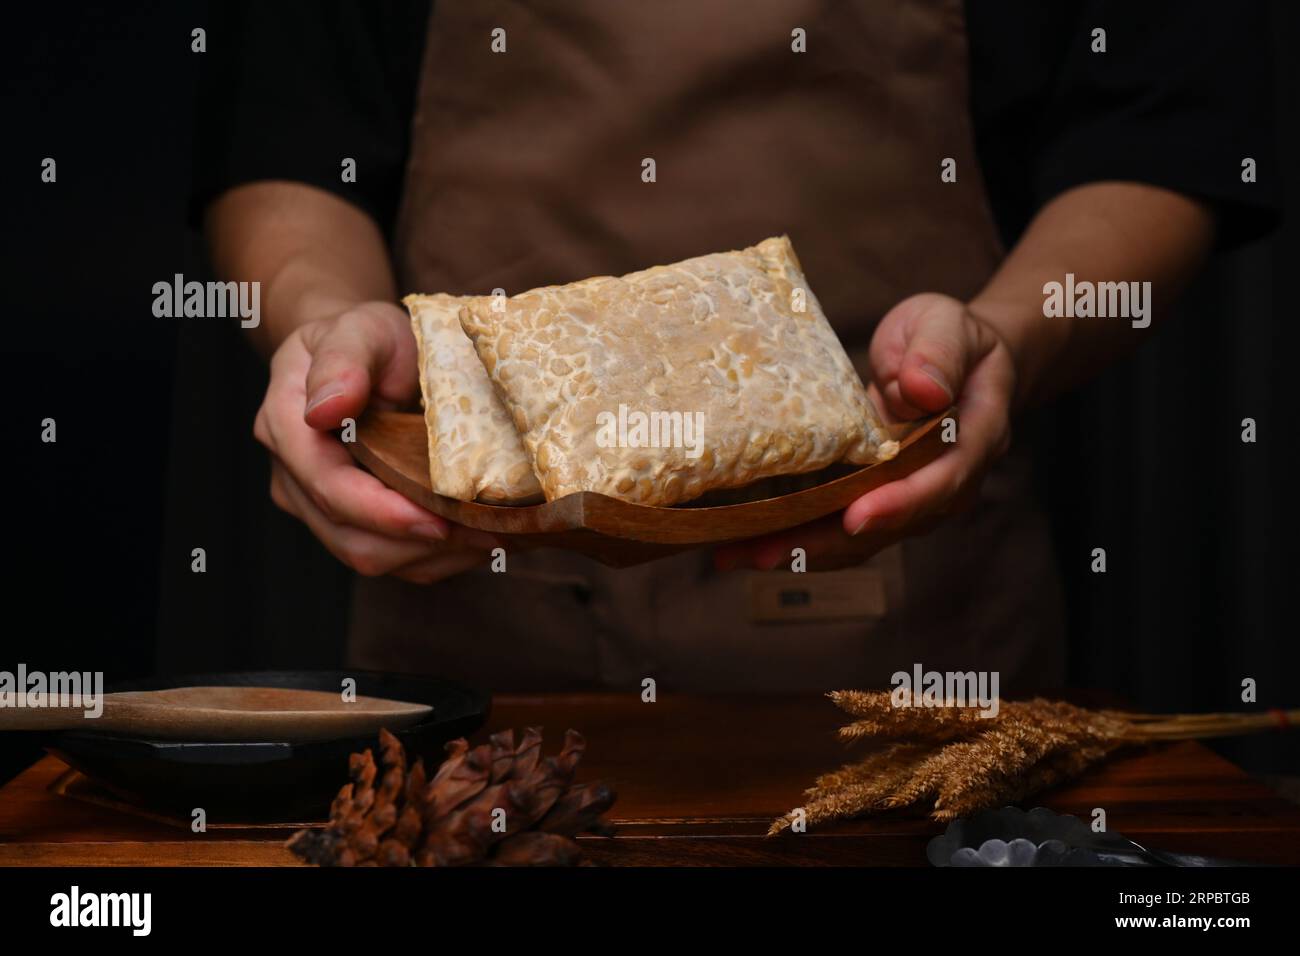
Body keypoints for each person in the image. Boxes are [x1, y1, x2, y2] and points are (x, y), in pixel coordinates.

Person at [194, 1, 1276, 692]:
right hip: (467, 625)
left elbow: (1156, 130)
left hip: (902, 611)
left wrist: (1005, 340)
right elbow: (289, 133)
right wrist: (324, 334)